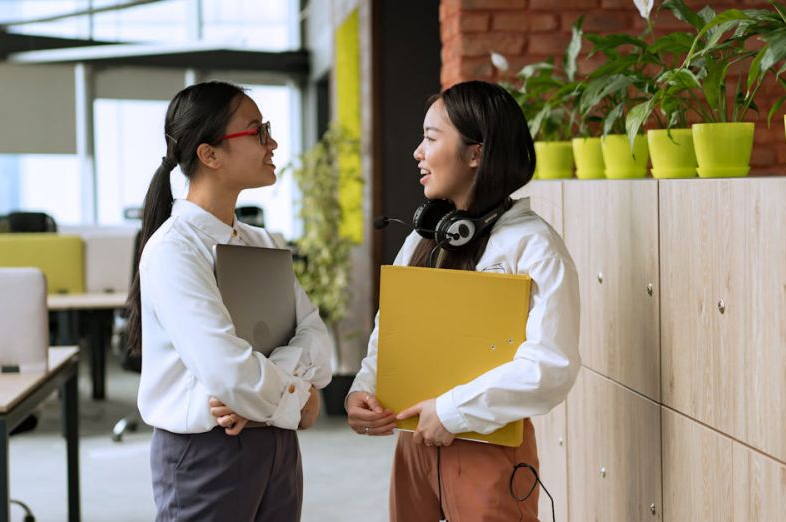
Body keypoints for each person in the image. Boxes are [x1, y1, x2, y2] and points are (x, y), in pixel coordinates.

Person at [346, 80, 581, 521]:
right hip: (413, 444)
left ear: (476, 153)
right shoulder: (422, 238)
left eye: (431, 138)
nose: (418, 151)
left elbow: (551, 365)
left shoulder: (533, 245)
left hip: (487, 447)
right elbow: (391, 329)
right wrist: (364, 389)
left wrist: (452, 411)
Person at [125, 80, 332, 522]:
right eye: (257, 131)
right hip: (207, 453)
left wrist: (281, 400)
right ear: (210, 154)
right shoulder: (174, 249)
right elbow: (226, 369)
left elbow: (316, 337)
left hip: (275, 446)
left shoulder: (259, 241)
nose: (272, 143)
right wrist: (300, 400)